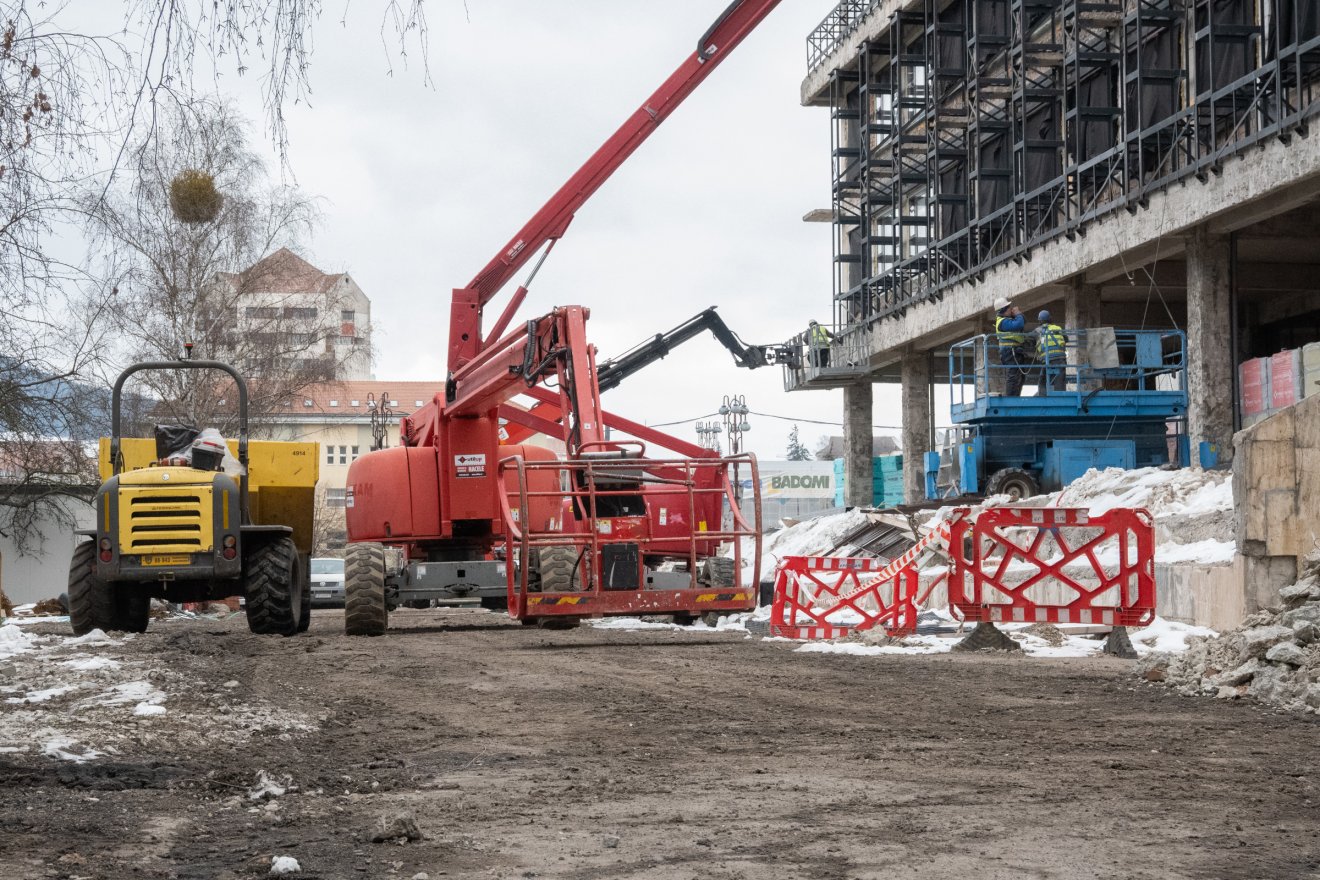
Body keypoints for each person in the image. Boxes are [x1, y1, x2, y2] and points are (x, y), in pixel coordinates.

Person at [992, 296, 1028, 396]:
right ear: (1004, 310)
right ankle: (1011, 398)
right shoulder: (1002, 322)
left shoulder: (1008, 319)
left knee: (1020, 375)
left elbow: (1023, 321)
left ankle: (1015, 396)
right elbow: (1018, 325)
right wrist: (1017, 314)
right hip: (1009, 351)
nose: (1010, 308)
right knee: (1013, 375)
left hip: (1015, 350)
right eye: (1008, 307)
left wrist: (1019, 314)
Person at [1032, 310, 1067, 395]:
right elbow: (1066, 339)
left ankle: (1042, 398)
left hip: (1048, 360)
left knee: (1042, 380)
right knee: (1060, 380)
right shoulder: (1058, 328)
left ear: (1039, 321)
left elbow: (1030, 340)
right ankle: (1061, 397)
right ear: (1050, 319)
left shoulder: (1037, 330)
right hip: (1060, 358)